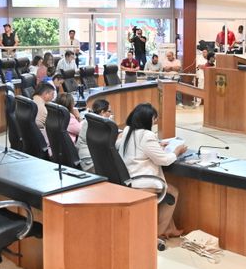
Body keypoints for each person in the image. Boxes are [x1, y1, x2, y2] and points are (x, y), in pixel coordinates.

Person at [116, 103, 188, 238]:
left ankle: (170, 228)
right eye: (154, 118)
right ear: (147, 119)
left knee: (169, 191)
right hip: (142, 181)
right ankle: (158, 233)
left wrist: (157, 145)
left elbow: (137, 149)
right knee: (173, 192)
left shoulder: (128, 130)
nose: (155, 122)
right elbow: (164, 160)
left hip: (128, 178)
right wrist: (177, 152)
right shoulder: (147, 135)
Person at [75, 99, 111, 172]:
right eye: (109, 111)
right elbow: (108, 143)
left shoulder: (89, 120)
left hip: (85, 157)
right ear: (102, 112)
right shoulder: (98, 124)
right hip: (89, 162)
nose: (111, 114)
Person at [33, 82, 56, 155]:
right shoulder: (42, 109)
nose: (53, 98)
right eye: (52, 94)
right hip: (45, 144)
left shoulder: (32, 101)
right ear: (46, 94)